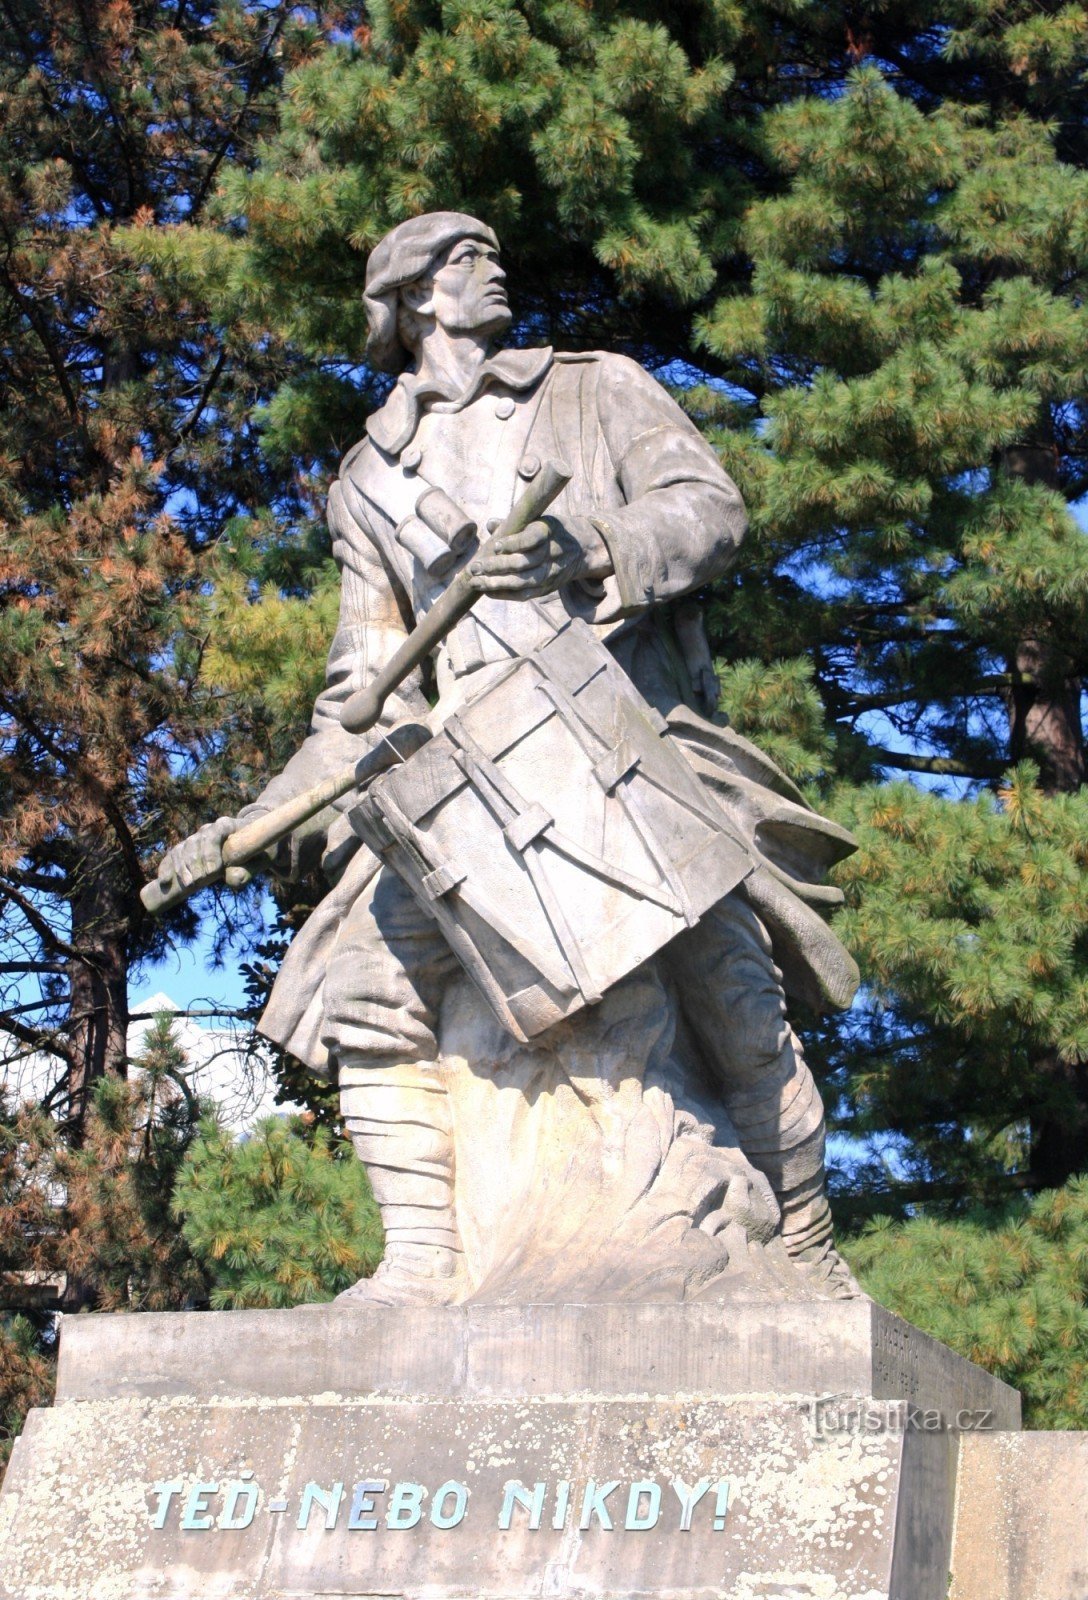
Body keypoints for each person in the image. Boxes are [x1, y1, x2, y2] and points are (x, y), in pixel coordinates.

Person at [156, 212, 861, 1301]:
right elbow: (361, 691)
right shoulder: (367, 481)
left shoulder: (590, 390)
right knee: (363, 987)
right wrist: (251, 820)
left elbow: (706, 508)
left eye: (492, 250)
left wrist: (593, 546)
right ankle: (422, 1263)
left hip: (614, 736)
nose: (494, 269)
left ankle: (806, 1250)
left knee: (736, 1003)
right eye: (463, 260)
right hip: (464, 772)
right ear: (413, 301)